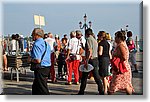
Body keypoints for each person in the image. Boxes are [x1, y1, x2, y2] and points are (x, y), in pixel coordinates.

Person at [78, 28, 104, 95]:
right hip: (95, 59)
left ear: (86, 34)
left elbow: (90, 50)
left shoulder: (88, 39)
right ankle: (101, 91)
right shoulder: (94, 40)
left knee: (84, 77)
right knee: (96, 77)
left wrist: (86, 60)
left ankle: (81, 92)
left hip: (91, 60)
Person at [109, 31, 134, 95]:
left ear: (119, 38)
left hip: (121, 67)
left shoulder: (120, 45)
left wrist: (115, 56)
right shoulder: (123, 44)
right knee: (126, 84)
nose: (114, 38)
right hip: (123, 67)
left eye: (116, 37)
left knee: (113, 85)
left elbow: (124, 57)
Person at [30, 28, 51, 95]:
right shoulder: (46, 44)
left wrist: (30, 60)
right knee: (36, 87)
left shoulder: (36, 44)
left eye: (32, 34)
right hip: (47, 66)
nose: (31, 36)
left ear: (37, 35)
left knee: (42, 88)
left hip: (40, 68)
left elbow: (38, 60)